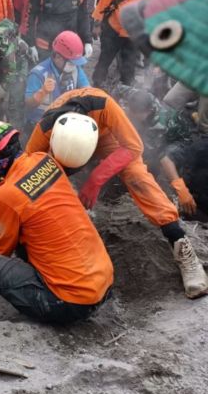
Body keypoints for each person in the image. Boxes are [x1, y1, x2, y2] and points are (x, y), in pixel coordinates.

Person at [25, 86, 208, 299]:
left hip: (104, 137)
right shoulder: (45, 130)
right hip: (62, 152)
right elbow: (26, 172)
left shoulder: (105, 105)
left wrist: (96, 179)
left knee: (137, 176)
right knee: (46, 186)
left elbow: (134, 147)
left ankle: (182, 248)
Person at [0, 120, 114, 323]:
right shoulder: (45, 161)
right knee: (26, 239)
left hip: (67, 304)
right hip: (102, 284)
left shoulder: (6, 195)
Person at [92, 0, 161, 88]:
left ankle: (126, 90)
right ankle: (97, 85)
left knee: (129, 66)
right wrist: (97, 24)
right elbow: (104, 1)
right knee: (104, 60)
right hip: (113, 29)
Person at [24, 31, 89, 133]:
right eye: (71, 62)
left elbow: (87, 91)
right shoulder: (38, 74)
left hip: (65, 123)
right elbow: (28, 104)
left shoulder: (76, 69)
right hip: (40, 127)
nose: (74, 65)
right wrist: (42, 92)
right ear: (58, 57)